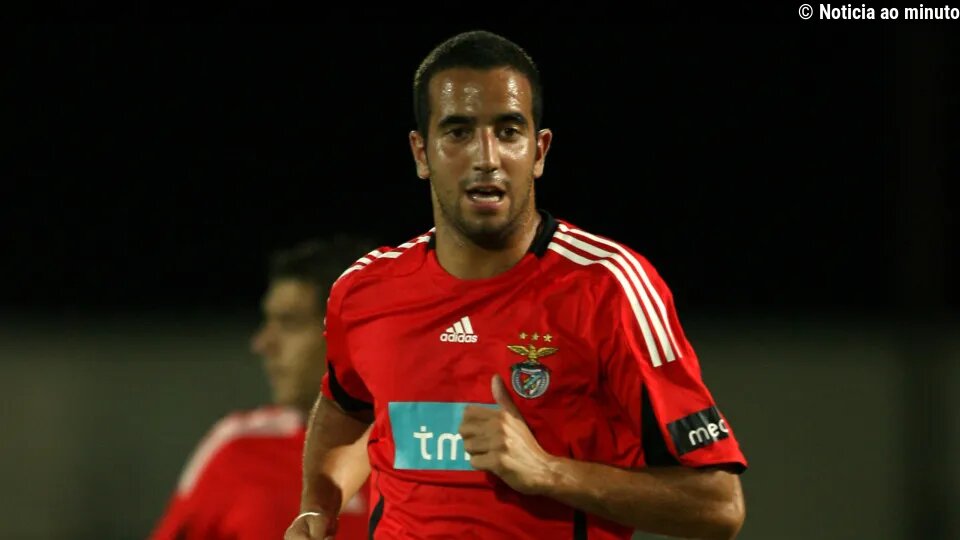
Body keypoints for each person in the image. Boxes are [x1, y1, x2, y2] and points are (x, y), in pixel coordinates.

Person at [285, 30, 747, 540]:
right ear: (421, 153)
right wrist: (317, 507)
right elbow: (343, 405)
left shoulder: (609, 288)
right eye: (458, 132)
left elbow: (717, 506)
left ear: (539, 151)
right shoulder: (364, 290)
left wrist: (547, 471)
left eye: (508, 131)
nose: (487, 157)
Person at [149, 236, 377, 540]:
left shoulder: (425, 448)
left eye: (289, 323)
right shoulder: (238, 448)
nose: (263, 343)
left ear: (356, 330)